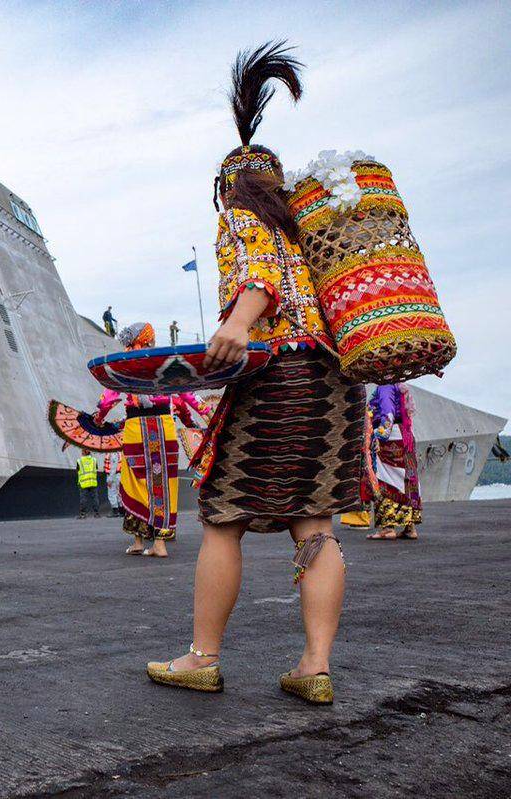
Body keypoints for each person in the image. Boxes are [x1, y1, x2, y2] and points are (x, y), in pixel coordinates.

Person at [147, 43, 365, 705]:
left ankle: (202, 657)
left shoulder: (242, 216)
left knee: (223, 517)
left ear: (228, 186)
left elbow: (258, 274)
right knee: (315, 521)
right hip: (336, 387)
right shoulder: (314, 231)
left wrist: (239, 324)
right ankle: (314, 665)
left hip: (276, 380)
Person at [95, 323, 211, 557]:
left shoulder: (124, 365)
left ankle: (138, 540)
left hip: (137, 429)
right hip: (164, 428)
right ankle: (159, 543)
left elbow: (108, 399)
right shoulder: (164, 365)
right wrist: (208, 413)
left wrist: (98, 418)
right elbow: (188, 394)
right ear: (149, 339)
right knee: (163, 484)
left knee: (133, 483)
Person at [365, 384, 422, 540]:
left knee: (384, 480)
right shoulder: (400, 387)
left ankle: (387, 528)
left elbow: (388, 414)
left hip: (390, 438)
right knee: (407, 480)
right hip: (405, 435)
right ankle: (410, 527)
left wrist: (377, 435)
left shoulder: (385, 388)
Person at [75, 448, 100, 518]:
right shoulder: (94, 460)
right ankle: (97, 513)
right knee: (95, 498)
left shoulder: (79, 461)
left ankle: (83, 514)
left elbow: (77, 470)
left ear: (83, 452)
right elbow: (96, 468)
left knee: (83, 498)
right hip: (93, 482)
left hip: (83, 483)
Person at [104, 451, 124, 517]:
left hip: (114, 476)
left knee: (112, 493)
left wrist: (110, 479)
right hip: (119, 475)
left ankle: (115, 511)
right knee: (119, 493)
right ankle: (121, 511)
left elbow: (113, 468)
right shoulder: (120, 453)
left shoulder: (112, 454)